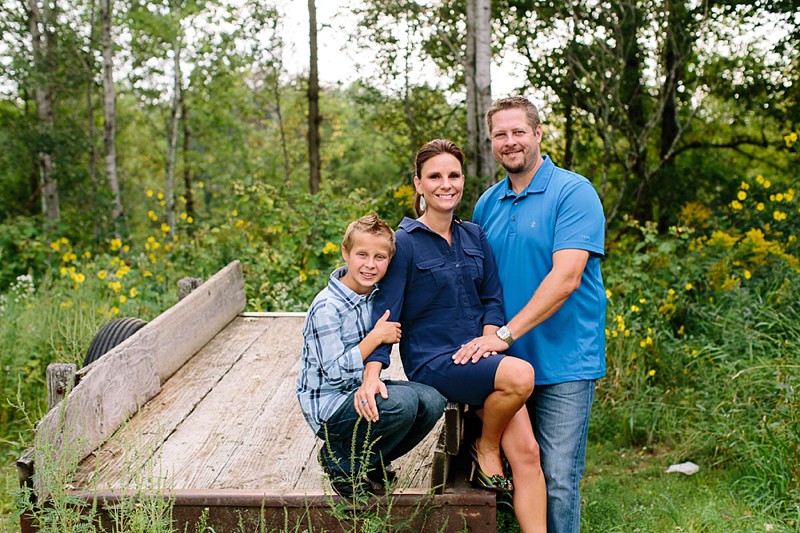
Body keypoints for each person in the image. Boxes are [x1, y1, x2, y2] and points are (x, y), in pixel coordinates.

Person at [369, 139, 547, 532]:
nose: (445, 184)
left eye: (453, 175)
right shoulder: (406, 245)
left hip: (480, 360)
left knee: (529, 454)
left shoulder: (474, 236)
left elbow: (492, 300)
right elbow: (386, 317)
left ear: (463, 180)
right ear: (418, 184)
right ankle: (485, 446)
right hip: (434, 363)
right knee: (521, 376)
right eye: (434, 176)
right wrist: (372, 373)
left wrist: (487, 342)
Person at [462, 96, 607, 533]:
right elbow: (479, 284)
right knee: (520, 466)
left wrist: (504, 334)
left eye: (518, 131)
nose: (510, 142)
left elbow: (566, 279)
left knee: (560, 477)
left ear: (538, 133)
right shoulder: (487, 204)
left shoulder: (573, 192)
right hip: (506, 366)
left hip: (564, 359)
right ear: (492, 143)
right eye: (500, 135)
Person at [296, 213, 447, 498]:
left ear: (390, 260)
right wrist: (375, 337)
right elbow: (334, 372)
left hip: (358, 391)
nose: (370, 264)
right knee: (401, 406)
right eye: (362, 254)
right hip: (329, 405)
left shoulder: (375, 296)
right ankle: (338, 461)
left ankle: (371, 459)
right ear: (345, 253)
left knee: (431, 400)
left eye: (380, 257)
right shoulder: (326, 307)